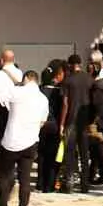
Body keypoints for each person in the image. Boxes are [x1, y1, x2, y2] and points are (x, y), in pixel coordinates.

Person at [0, 70, 49, 206]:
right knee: (25, 180)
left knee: (5, 177)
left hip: (11, 142)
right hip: (30, 143)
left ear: (26, 79)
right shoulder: (43, 99)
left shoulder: (17, 91)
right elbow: (42, 122)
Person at [0, 51, 24, 187]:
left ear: (1, 60)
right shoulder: (20, 73)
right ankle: (12, 174)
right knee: (11, 146)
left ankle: (6, 175)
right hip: (17, 113)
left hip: (1, 113)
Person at [59, 53, 94, 194]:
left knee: (70, 153)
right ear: (80, 63)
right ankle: (85, 184)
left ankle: (69, 183)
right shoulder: (89, 79)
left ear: (69, 64)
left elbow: (65, 103)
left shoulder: (68, 80)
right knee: (85, 153)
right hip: (85, 121)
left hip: (71, 121)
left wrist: (62, 123)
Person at [37, 61, 65, 193]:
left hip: (42, 124)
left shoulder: (39, 90)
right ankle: (50, 183)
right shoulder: (59, 91)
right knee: (53, 155)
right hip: (55, 124)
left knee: (41, 154)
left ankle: (40, 182)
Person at [88, 57, 103, 185]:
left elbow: (97, 106)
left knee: (98, 151)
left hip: (99, 122)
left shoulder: (96, 87)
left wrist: (94, 120)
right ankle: (95, 174)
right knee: (99, 150)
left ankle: (101, 176)